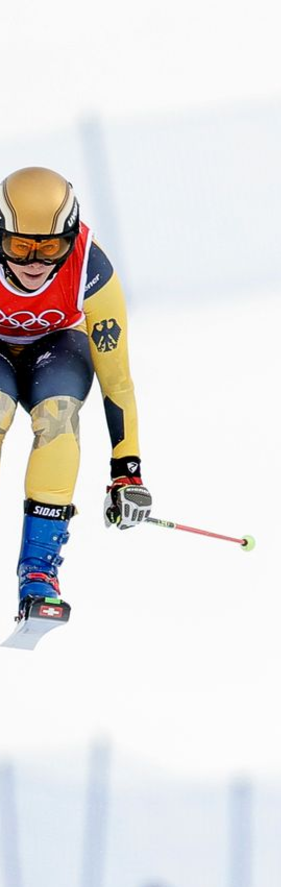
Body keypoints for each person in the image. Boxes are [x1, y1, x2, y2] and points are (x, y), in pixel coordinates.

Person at [0, 166, 151, 621]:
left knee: (60, 419)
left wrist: (128, 471)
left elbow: (117, 378)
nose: (34, 262)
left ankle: (40, 572)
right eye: (18, 245)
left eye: (50, 247)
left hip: (58, 346)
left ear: (71, 238)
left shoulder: (91, 268)